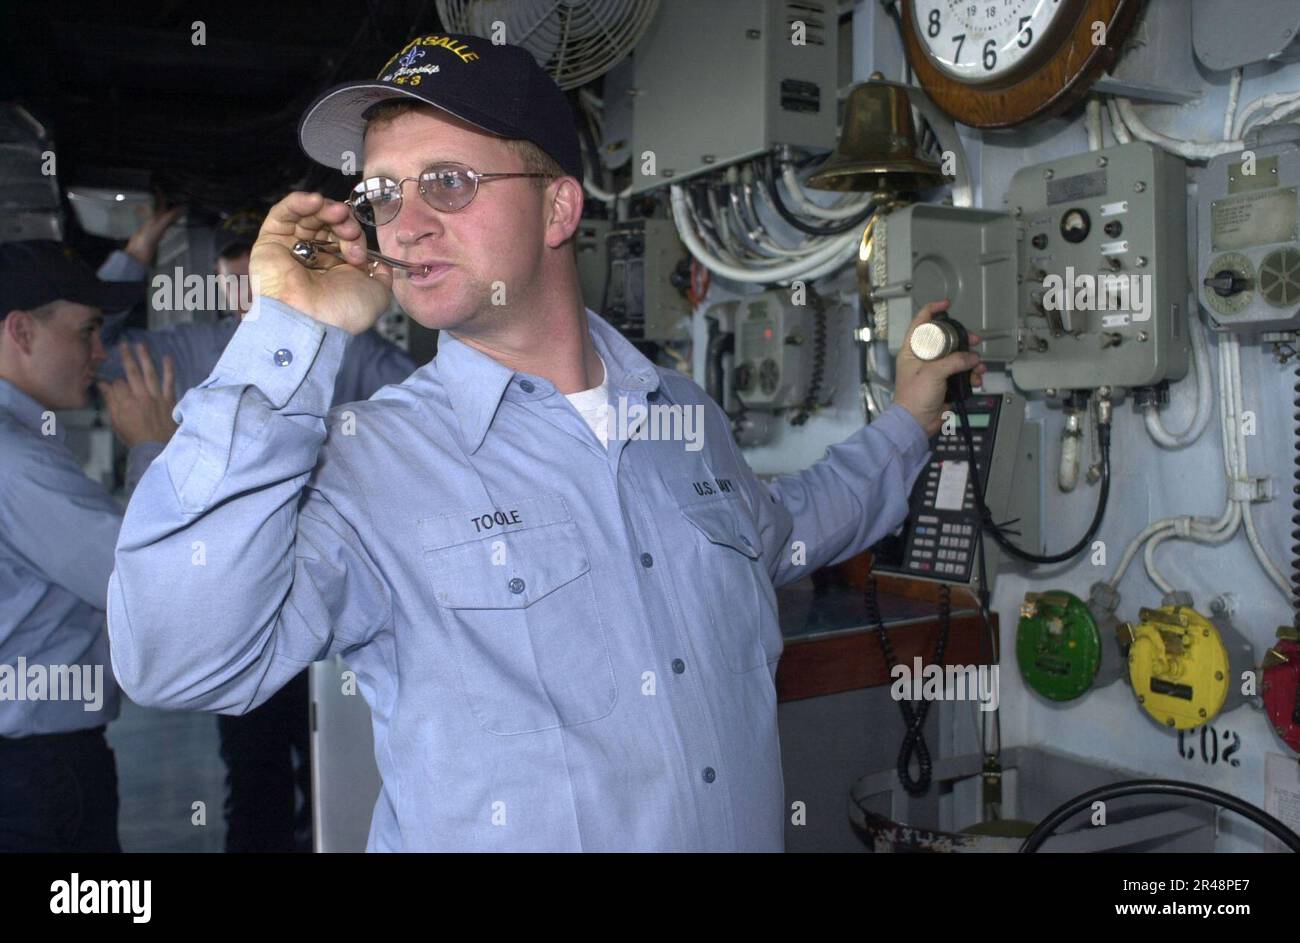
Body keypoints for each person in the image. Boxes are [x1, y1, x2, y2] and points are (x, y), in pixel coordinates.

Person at [108, 32, 987, 851]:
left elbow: (791, 525)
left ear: (560, 206)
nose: (404, 223)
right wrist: (288, 331)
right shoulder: (365, 463)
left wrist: (908, 420)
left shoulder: (680, 419)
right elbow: (179, 658)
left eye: (447, 182)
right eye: (381, 193)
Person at [97, 210, 417, 852]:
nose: (257, 297)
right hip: (240, 596)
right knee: (254, 772)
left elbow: (430, 418)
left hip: (338, 601)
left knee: (345, 765)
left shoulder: (355, 348)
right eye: (238, 285)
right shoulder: (187, 350)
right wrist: (136, 253)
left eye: (265, 279)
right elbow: (90, 340)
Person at [0, 241, 175, 852]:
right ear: (21, 330)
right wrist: (153, 446)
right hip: (35, 768)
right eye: (88, 332)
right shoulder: (14, 459)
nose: (100, 354)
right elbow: (137, 580)